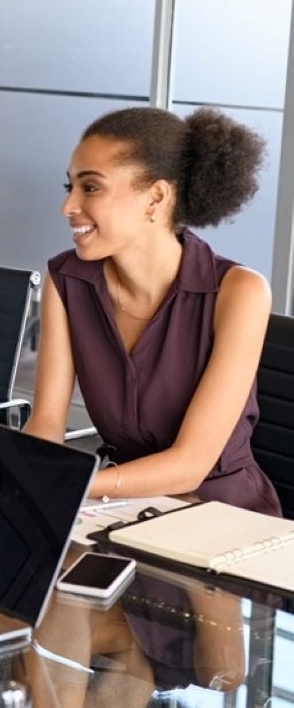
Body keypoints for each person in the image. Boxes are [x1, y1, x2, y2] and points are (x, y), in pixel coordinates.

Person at [23, 106, 281, 515]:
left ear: (156, 197)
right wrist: (23, 470)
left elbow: (190, 466)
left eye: (90, 188)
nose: (68, 206)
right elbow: (47, 422)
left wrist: (72, 483)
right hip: (116, 510)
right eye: (69, 186)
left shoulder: (240, 292)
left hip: (222, 517)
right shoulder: (66, 280)